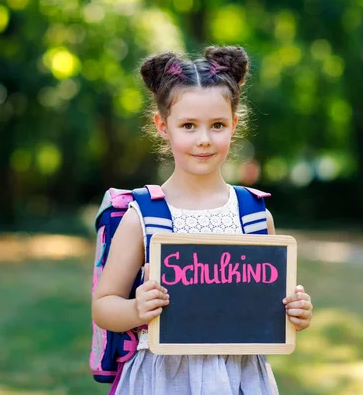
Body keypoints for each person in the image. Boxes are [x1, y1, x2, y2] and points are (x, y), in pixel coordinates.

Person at [92, 45, 313, 395]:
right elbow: (104, 305)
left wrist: (294, 312)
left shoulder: (254, 216)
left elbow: (267, 307)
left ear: (234, 124)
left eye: (218, 125)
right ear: (163, 126)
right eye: (189, 126)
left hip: (240, 376)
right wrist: (137, 308)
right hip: (163, 377)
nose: (204, 140)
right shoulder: (144, 216)